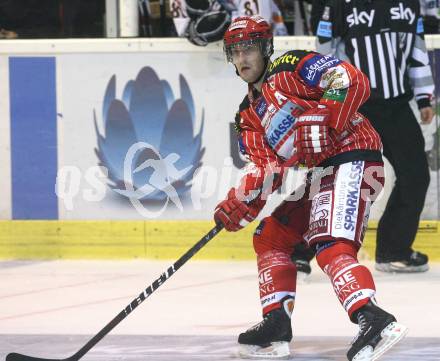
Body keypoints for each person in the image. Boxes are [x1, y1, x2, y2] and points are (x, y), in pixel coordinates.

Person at [214, 15, 408, 361]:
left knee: (328, 238)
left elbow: (350, 78)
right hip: (323, 173)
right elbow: (267, 170)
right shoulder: (248, 116)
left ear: (266, 49)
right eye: (235, 51)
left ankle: (373, 318)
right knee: (271, 237)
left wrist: (326, 114)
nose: (243, 58)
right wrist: (240, 202)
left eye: (249, 49)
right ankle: (276, 322)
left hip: (355, 155)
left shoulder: (291, 67)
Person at [308, 0, 435, 273]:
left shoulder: (408, 4)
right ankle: (296, 250)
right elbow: (326, 54)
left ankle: (393, 251)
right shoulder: (340, 5)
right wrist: (332, 102)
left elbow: (417, 49)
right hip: (357, 107)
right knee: (337, 178)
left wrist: (424, 97)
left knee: (416, 176)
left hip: (397, 107)